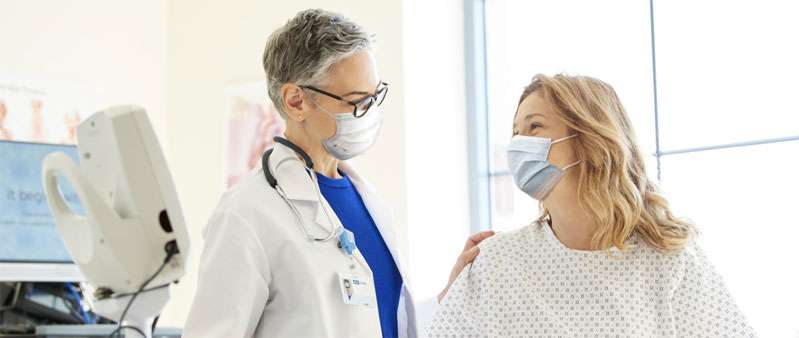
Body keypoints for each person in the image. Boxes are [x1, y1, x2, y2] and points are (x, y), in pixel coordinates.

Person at [183, 9, 489, 338]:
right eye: (357, 101)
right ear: (296, 101)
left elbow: (383, 322)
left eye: (375, 96)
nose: (369, 113)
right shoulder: (246, 214)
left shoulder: (367, 201)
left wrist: (447, 297)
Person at [428, 74, 756, 337]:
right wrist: (447, 298)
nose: (517, 144)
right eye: (516, 132)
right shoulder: (495, 262)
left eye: (534, 127)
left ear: (589, 139)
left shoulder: (671, 261)